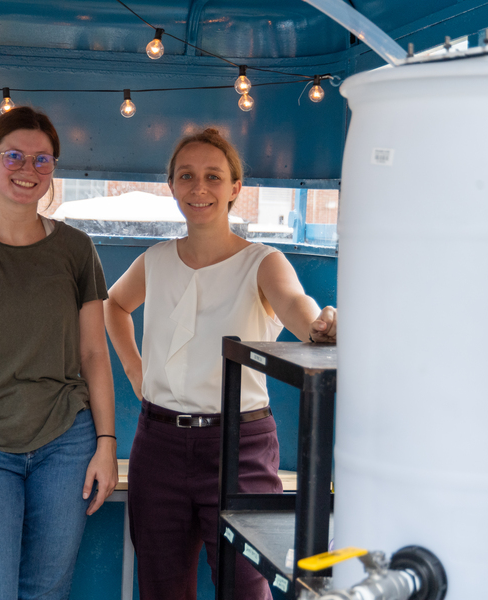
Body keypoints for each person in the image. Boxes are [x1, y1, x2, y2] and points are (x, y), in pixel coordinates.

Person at [103, 128, 336, 600]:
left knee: (246, 589)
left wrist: (321, 326)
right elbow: (113, 305)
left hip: (239, 448)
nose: (199, 187)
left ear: (235, 189)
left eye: (213, 176)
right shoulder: (156, 259)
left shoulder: (263, 262)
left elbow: (298, 309)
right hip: (159, 443)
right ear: (171, 186)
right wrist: (136, 371)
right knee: (161, 588)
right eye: (186, 176)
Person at [0, 106, 118, 600]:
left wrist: (106, 443)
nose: (28, 170)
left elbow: (93, 353)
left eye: (43, 161)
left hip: (65, 442)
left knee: (46, 592)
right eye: (14, 156)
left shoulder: (76, 250)